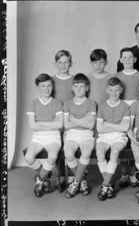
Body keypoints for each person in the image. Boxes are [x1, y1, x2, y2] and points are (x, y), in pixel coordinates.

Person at [25, 73, 63, 197]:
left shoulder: (57, 103)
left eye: (49, 86)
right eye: (43, 86)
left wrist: (40, 123)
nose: (46, 89)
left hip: (53, 136)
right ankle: (45, 172)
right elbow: (33, 126)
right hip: (38, 136)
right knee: (29, 158)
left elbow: (59, 125)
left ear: (52, 87)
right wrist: (50, 123)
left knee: (52, 156)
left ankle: (40, 180)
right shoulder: (33, 103)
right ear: (38, 87)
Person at [96, 77, 131, 201]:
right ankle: (109, 185)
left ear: (121, 90)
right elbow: (99, 128)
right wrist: (117, 126)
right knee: (99, 152)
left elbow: (126, 127)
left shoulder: (125, 106)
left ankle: (105, 186)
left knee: (115, 152)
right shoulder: (102, 106)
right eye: (111, 90)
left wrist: (107, 124)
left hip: (119, 137)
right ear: (107, 90)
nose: (114, 93)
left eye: (116, 90)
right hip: (104, 136)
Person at [63, 73, 97, 198]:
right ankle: (82, 180)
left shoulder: (91, 103)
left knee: (86, 152)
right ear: (72, 87)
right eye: (76, 86)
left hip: (87, 134)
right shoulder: (67, 103)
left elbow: (90, 125)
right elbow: (66, 125)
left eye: (82, 86)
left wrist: (74, 119)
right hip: (72, 134)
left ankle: (75, 183)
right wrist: (84, 119)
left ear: (87, 88)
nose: (79, 89)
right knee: (68, 154)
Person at [115, 47, 139, 188]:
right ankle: (124, 173)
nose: (127, 60)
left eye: (130, 57)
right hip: (122, 113)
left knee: (134, 142)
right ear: (121, 60)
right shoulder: (117, 76)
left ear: (135, 59)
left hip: (136, 113)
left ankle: (133, 174)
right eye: (124, 58)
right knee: (122, 142)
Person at [52, 50, 76, 186]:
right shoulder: (52, 80)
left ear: (71, 63)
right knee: (58, 147)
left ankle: (73, 176)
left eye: (66, 62)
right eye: (60, 62)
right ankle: (60, 175)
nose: (63, 65)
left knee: (71, 147)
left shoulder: (75, 80)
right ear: (55, 64)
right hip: (56, 119)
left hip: (71, 119)